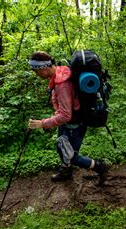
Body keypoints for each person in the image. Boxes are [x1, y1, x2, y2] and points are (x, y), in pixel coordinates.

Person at [27, 51, 108, 183]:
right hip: (69, 123)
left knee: (72, 156)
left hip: (74, 125)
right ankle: (66, 171)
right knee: (61, 147)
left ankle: (99, 167)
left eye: (36, 71)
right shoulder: (60, 73)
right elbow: (62, 107)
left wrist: (43, 123)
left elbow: (65, 115)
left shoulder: (62, 84)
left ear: (44, 68)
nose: (36, 75)